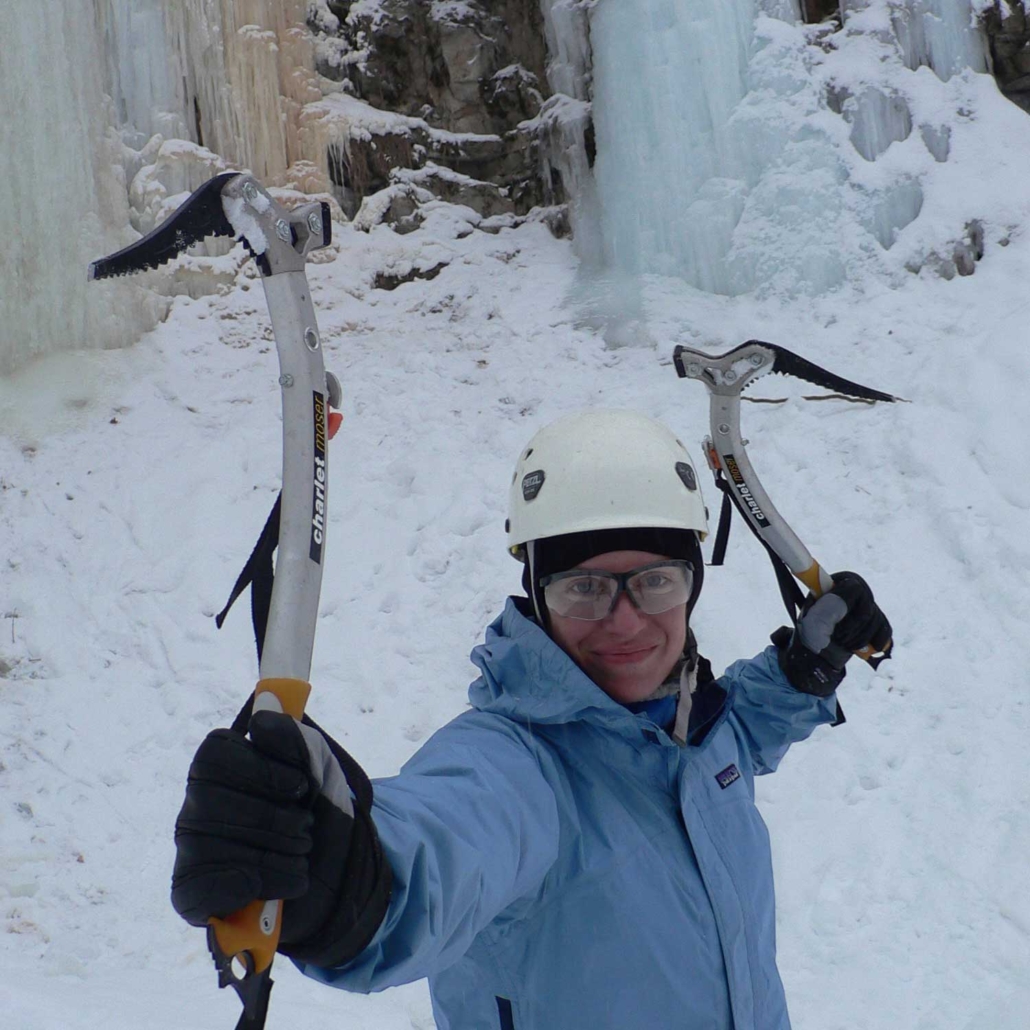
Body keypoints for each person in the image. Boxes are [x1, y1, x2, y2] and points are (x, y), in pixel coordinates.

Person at [172, 409, 891, 1030]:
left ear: (691, 584)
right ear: (537, 593)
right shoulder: (518, 766)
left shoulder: (691, 724)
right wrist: (350, 879)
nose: (625, 618)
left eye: (655, 581)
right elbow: (443, 844)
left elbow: (732, 739)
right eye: (583, 586)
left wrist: (804, 672)